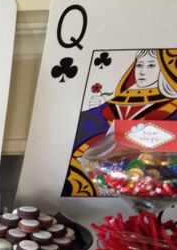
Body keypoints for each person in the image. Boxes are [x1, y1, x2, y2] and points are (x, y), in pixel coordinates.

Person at [64, 48, 177, 197]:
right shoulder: (119, 99)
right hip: (104, 170)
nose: (142, 72)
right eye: (139, 65)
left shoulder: (172, 105)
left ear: (164, 70)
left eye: (150, 66)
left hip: (145, 177)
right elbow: (93, 120)